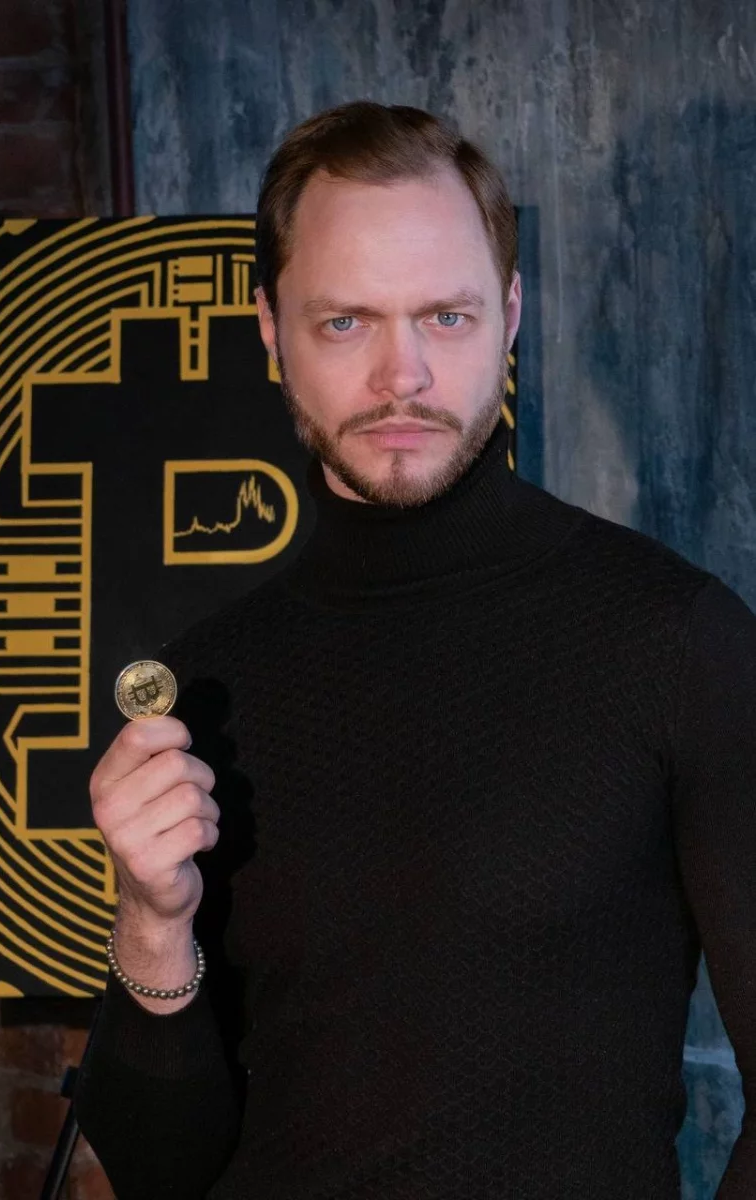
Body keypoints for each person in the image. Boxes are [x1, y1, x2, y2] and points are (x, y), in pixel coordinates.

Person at [73, 101, 755, 1198]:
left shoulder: (677, 642)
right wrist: (152, 924)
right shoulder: (205, 685)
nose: (404, 376)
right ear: (271, 330)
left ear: (510, 314)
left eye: (445, 316)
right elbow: (163, 1171)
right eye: (347, 321)